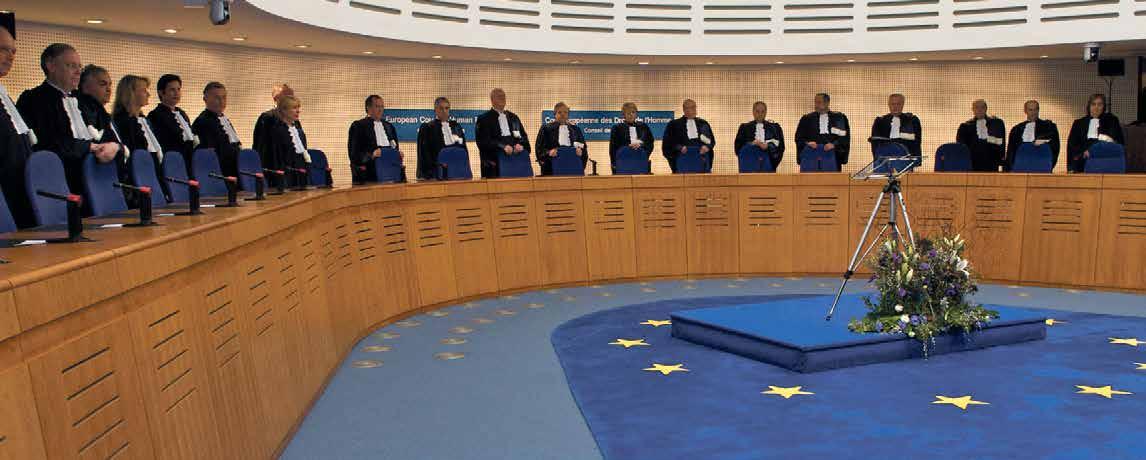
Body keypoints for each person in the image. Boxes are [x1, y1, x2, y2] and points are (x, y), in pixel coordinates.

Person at [16, 43, 119, 195]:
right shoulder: (33, 100)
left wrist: (115, 147)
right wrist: (89, 147)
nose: (78, 72)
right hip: (59, 184)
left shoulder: (89, 102)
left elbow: (110, 136)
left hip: (99, 182)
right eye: (71, 66)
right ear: (51, 66)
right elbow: (47, 143)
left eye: (79, 67)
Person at [0, 12, 37, 227]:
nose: (11, 56)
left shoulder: (5, 96)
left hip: (18, 196)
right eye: (3, 49)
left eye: (13, 51)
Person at [111, 75, 164, 195]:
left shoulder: (144, 121)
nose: (148, 94)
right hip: (136, 183)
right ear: (131, 93)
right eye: (144, 90)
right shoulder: (123, 122)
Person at [147, 74, 197, 173]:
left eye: (178, 89)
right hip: (171, 165)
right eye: (172, 90)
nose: (176, 93)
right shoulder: (155, 115)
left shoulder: (182, 114)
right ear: (161, 92)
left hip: (189, 163)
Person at [475, 88, 529, 178]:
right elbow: (483, 143)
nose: (502, 98)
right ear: (492, 100)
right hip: (494, 166)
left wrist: (520, 145)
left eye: (503, 96)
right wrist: (502, 147)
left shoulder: (513, 118)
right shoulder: (484, 119)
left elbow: (523, 138)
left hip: (515, 163)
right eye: (499, 96)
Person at [192, 81, 242, 178]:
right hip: (219, 173)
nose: (221, 101)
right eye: (217, 98)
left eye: (224, 97)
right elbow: (209, 153)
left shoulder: (224, 119)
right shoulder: (203, 122)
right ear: (205, 99)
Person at [347, 95, 400, 183]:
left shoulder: (389, 126)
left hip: (389, 171)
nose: (380, 110)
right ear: (369, 108)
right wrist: (372, 155)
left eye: (382, 106)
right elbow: (354, 154)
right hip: (369, 173)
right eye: (377, 106)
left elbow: (394, 146)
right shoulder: (358, 126)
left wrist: (397, 154)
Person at [1067, 93, 1124, 173]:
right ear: (1089, 106)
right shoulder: (1078, 123)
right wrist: (1072, 165)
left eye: (1099, 104)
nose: (1096, 107)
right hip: (1082, 162)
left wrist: (1094, 150)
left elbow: (1116, 141)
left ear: (1104, 107)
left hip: (1104, 160)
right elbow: (1072, 146)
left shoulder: (1111, 121)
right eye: (1093, 104)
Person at [794, 93, 850, 171]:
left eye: (819, 102)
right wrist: (807, 143)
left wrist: (834, 145)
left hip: (832, 156)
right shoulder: (807, 119)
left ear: (827, 103)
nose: (816, 105)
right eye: (815, 102)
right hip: (811, 156)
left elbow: (844, 137)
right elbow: (799, 137)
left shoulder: (839, 118)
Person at [264, 94, 311, 187]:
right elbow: (277, 158)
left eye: (298, 107)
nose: (298, 111)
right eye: (294, 108)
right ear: (284, 110)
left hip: (300, 174)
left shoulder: (299, 131)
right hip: (287, 176)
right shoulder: (277, 131)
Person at [416, 96, 466, 180]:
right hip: (435, 174)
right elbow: (424, 154)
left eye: (447, 108)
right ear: (435, 110)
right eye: (441, 108)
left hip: (456, 171)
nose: (444, 111)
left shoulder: (456, 127)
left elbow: (464, 150)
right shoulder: (427, 127)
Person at [1004, 100, 1059, 172]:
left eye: (1036, 109)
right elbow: (1011, 151)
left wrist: (1050, 164)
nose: (1033, 113)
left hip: (1041, 163)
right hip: (1021, 164)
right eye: (1030, 110)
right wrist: (1008, 169)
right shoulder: (1017, 129)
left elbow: (1055, 147)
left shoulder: (1049, 127)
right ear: (1025, 111)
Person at [662, 99, 715, 172]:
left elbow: (711, 141)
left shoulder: (703, 123)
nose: (691, 110)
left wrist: (707, 147)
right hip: (682, 160)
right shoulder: (674, 125)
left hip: (701, 159)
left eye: (693, 107)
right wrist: (679, 148)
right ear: (684, 109)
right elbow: (667, 144)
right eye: (688, 108)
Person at [535, 102, 588, 175]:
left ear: (568, 114)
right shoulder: (546, 129)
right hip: (552, 169)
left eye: (565, 112)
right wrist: (549, 153)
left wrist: (581, 152)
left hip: (573, 167)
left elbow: (584, 148)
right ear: (555, 114)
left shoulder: (576, 130)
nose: (563, 114)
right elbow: (539, 149)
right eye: (559, 112)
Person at [733, 101, 785, 170]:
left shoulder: (775, 128)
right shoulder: (744, 128)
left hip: (768, 161)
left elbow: (781, 147)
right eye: (757, 111)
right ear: (753, 112)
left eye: (762, 111)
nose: (760, 114)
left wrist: (768, 147)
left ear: (766, 112)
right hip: (749, 161)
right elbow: (738, 148)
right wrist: (751, 144)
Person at [253, 83, 295, 165]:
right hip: (274, 166)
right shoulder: (267, 118)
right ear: (276, 98)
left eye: (292, 97)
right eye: (288, 96)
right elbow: (261, 147)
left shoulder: (295, 120)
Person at [870, 93, 922, 157]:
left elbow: (916, 143)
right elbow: (875, 144)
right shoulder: (879, 122)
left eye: (898, 104)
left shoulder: (912, 121)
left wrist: (917, 159)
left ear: (903, 104)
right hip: (884, 157)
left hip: (905, 156)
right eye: (893, 104)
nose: (895, 107)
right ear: (889, 105)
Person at [608, 102, 654, 173]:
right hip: (623, 163)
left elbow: (650, 143)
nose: (631, 114)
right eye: (628, 113)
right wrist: (614, 164)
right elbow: (613, 148)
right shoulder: (617, 128)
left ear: (636, 114)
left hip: (640, 161)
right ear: (623, 115)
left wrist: (642, 147)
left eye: (633, 112)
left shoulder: (643, 127)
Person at [75, 64, 115, 141]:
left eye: (109, 85)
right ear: (85, 87)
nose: (109, 89)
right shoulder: (82, 110)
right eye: (103, 84)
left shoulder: (103, 114)